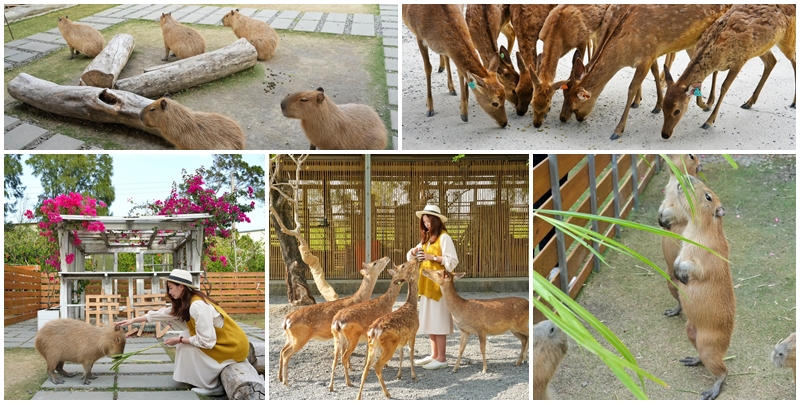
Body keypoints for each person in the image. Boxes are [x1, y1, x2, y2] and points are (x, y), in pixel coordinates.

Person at [114, 269, 250, 396]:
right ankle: (197, 378)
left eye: (171, 287)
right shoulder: (188, 302)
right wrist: (132, 321)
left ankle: (212, 386)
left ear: (182, 287)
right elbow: (161, 314)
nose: (169, 291)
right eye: (168, 287)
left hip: (233, 346)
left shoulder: (197, 306)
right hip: (226, 342)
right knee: (185, 335)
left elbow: (207, 342)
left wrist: (178, 340)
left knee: (185, 341)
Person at [406, 204, 459, 370]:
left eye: (429, 221)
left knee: (439, 322)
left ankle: (442, 358)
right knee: (430, 321)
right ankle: (434, 355)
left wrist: (432, 257)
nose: (426, 224)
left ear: (436, 221)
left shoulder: (444, 238)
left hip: (439, 287)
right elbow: (410, 256)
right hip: (426, 285)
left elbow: (452, 261)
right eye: (424, 222)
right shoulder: (427, 238)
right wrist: (415, 252)